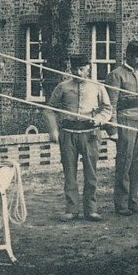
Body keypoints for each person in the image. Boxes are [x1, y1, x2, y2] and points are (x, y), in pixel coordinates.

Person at [46, 54, 112, 221]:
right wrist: (53, 130)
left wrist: (100, 119)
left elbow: (107, 109)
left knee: (91, 173)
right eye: (75, 69)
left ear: (88, 68)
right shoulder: (62, 87)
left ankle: (91, 209)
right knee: (70, 172)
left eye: (82, 69)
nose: (78, 72)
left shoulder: (97, 87)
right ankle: (71, 209)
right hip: (68, 134)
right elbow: (48, 109)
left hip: (90, 134)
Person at [105, 40, 138, 216]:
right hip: (125, 122)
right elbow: (112, 104)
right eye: (137, 57)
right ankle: (121, 203)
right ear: (129, 55)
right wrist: (113, 130)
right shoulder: (116, 75)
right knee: (125, 162)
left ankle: (133, 200)